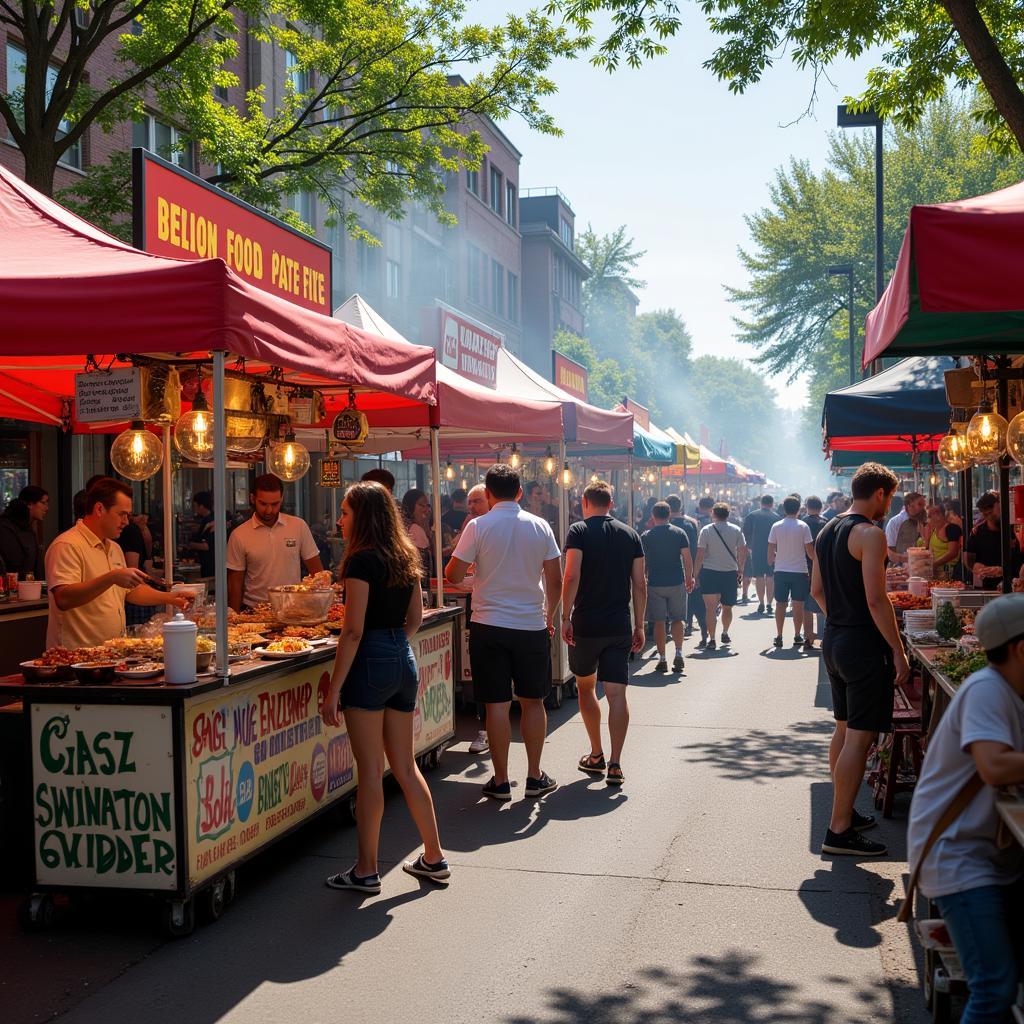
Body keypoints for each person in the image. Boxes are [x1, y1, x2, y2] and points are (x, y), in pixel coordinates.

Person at [321, 482, 449, 893]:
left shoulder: (360, 561)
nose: (340, 519)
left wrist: (333, 688)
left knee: (371, 772)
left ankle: (366, 869)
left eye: (345, 512)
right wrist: (395, 646)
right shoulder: (404, 555)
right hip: (401, 655)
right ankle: (434, 856)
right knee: (406, 766)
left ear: (362, 516)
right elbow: (416, 617)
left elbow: (353, 630)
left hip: (370, 659)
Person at [906, 594, 1024, 1024]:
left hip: (988, 854)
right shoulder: (988, 690)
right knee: (994, 988)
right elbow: (994, 766)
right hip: (958, 859)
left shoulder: (1010, 691)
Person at [446, 464, 562, 802]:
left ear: (489, 493)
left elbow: (453, 573)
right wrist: (550, 615)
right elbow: (554, 579)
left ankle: (499, 780)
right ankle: (534, 775)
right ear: (521, 493)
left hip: (488, 623)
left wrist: (475, 577)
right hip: (530, 624)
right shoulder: (540, 526)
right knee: (533, 701)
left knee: (496, 705)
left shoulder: (478, 525)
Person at [811, 462, 907, 857]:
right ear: (881, 494)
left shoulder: (826, 530)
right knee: (860, 737)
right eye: (890, 497)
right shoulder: (871, 534)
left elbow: (816, 589)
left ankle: (844, 810)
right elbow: (876, 598)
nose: (889, 504)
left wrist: (839, 618)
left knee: (844, 729)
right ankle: (839, 829)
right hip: (861, 645)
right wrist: (898, 652)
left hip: (834, 638)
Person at [561, 481, 646, 787]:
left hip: (586, 623)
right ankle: (615, 763)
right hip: (619, 624)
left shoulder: (579, 531)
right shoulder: (631, 535)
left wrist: (565, 614)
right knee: (617, 694)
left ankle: (596, 752)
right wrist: (640, 624)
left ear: (585, 502)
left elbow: (571, 574)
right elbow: (639, 583)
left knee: (586, 687)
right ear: (611, 503)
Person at [45, 477, 191, 649]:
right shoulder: (67, 545)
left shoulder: (114, 547)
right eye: (122, 514)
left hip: (111, 652)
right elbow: (63, 598)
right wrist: (111, 578)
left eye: (128, 515)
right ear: (99, 509)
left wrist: (172, 598)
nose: (126, 522)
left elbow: (131, 591)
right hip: (75, 656)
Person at [226, 474, 322, 611]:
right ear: (252, 499)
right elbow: (235, 583)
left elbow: (317, 573)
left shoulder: (298, 526)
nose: (269, 510)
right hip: (254, 611)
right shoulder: (239, 535)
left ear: (282, 499)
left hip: (293, 609)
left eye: (275, 504)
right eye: (263, 504)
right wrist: (233, 619)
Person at [641, 501, 693, 673]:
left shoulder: (647, 536)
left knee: (659, 622)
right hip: (676, 581)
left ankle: (662, 658)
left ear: (653, 516)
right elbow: (686, 557)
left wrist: (643, 578)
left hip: (655, 583)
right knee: (678, 619)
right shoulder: (679, 533)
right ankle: (678, 653)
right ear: (669, 514)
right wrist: (689, 578)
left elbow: (643, 561)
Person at [693, 502, 747, 651]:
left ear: (713, 514)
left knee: (710, 609)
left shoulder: (706, 530)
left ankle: (712, 639)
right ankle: (725, 632)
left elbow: (700, 555)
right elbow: (743, 551)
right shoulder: (736, 530)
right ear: (728, 515)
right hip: (729, 573)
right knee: (727, 607)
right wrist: (741, 569)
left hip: (710, 572)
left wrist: (695, 575)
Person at [768, 496, 814, 649]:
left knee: (780, 604)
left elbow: (771, 547)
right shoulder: (803, 526)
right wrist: (817, 562)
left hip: (781, 569)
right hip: (800, 570)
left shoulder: (776, 526)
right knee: (798, 605)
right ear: (799, 508)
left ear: (784, 508)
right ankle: (796, 634)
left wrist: (771, 561)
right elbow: (809, 551)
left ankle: (779, 635)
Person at [666, 494, 704, 643]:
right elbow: (694, 549)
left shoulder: (662, 523)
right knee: (687, 595)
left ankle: (670, 625)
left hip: (668, 566)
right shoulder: (691, 524)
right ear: (680, 507)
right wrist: (695, 572)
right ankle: (687, 623)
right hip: (687, 565)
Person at [965, 491, 1021, 591]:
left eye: (991, 513)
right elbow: (968, 559)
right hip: (984, 588)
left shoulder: (1013, 530)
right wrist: (975, 567)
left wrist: (1003, 571)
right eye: (986, 514)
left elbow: (1020, 562)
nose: (989, 517)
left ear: (999, 506)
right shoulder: (977, 533)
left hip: (1011, 587)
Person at [0, 484, 48, 580]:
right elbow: (14, 564)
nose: (46, 508)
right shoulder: (6, 528)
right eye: (43, 503)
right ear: (29, 504)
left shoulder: (28, 529)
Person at [742, 495, 780, 614]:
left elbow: (745, 532)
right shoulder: (776, 517)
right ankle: (769, 603)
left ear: (761, 503)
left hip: (756, 549)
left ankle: (761, 603)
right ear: (772, 504)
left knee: (759, 576)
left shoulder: (752, 515)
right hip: (772, 549)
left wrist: (748, 547)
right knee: (770, 576)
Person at [801, 496, 828, 650]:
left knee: (807, 604)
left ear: (806, 506)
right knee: (823, 601)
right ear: (821, 506)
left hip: (805, 566)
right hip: (823, 566)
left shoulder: (802, 523)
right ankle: (825, 636)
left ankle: (809, 636)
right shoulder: (826, 523)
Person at [921, 504, 963, 578]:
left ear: (939, 514)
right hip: (936, 573)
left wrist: (934, 564)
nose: (928, 519)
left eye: (930, 516)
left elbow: (953, 553)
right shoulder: (934, 530)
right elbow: (929, 547)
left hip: (948, 573)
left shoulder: (952, 528)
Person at [884, 491, 926, 564]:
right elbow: (890, 549)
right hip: (900, 566)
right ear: (909, 505)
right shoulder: (895, 522)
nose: (923, 508)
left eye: (923, 505)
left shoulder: (922, 520)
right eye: (920, 505)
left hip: (918, 563)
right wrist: (904, 559)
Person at [183, 491, 216, 578]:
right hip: (206, 563)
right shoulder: (206, 520)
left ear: (201, 506)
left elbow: (206, 546)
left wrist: (190, 545)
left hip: (210, 564)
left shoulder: (211, 522)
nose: (194, 509)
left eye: (195, 506)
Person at [401, 488, 433, 574]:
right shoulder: (415, 529)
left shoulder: (411, 527)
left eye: (428, 505)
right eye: (421, 505)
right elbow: (424, 562)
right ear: (410, 507)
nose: (426, 509)